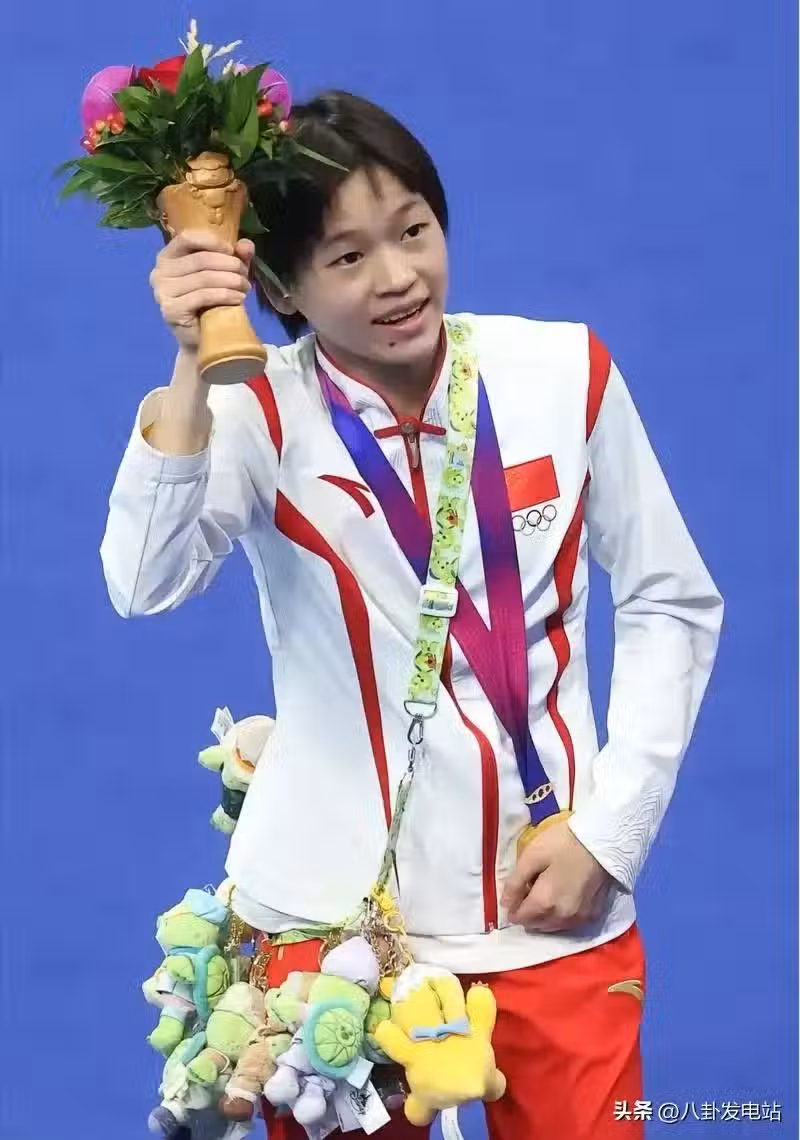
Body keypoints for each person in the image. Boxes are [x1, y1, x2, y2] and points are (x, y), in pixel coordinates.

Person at [100, 91, 723, 1140]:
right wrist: (193, 357)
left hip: (549, 899)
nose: (397, 277)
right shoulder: (254, 412)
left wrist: (612, 833)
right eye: (346, 257)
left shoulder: (563, 373)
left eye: (414, 231)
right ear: (278, 285)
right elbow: (143, 580)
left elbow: (672, 596)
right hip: (331, 937)